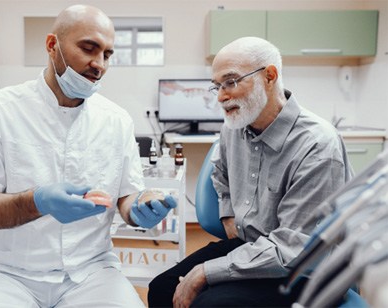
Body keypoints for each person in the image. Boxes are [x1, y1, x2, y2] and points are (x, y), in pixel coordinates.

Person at [0, 5, 175, 307]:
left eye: (107, 54)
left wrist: (140, 208)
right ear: (52, 45)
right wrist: (36, 201)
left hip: (92, 272)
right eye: (88, 48)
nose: (99, 64)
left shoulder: (116, 120)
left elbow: (126, 197)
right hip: (8, 273)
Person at [148, 36, 354, 307]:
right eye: (217, 86)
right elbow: (219, 172)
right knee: (161, 289)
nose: (221, 96)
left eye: (231, 82)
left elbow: (293, 248)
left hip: (307, 267)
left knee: (208, 303)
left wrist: (206, 272)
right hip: (254, 248)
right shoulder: (233, 127)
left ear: (270, 76)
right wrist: (228, 213)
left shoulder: (317, 145)